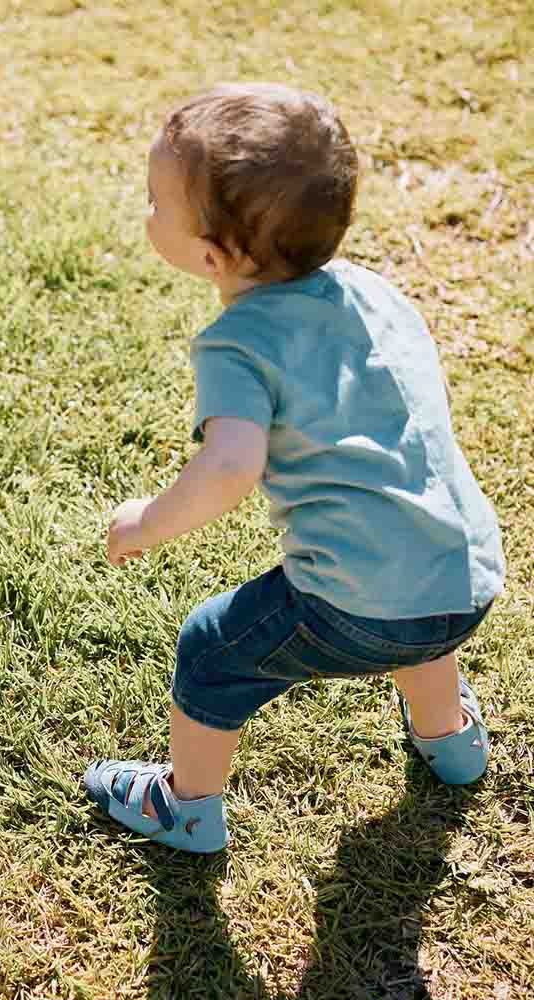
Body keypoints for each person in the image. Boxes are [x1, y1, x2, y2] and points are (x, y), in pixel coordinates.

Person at [83, 83, 505, 853]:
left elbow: (231, 465)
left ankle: (186, 808)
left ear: (211, 256)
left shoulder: (237, 344)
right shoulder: (373, 294)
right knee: (417, 606)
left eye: (152, 201)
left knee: (211, 649)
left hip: (361, 609)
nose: (144, 210)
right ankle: (449, 742)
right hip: (466, 568)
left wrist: (148, 519)